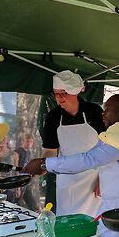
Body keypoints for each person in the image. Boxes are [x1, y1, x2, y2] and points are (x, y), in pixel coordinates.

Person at [23, 94, 119, 237]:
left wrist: (44, 164)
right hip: (111, 205)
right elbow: (92, 156)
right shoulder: (114, 134)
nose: (103, 113)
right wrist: (46, 164)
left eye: (107, 110)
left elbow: (90, 159)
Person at [40, 70, 105, 218]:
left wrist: (103, 177)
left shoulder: (93, 112)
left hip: (93, 177)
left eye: (64, 93)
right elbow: (51, 151)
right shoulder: (53, 117)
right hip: (67, 179)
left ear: (75, 92)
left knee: (93, 222)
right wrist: (41, 166)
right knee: (68, 219)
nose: (59, 98)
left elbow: (107, 148)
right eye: (56, 94)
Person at [13, 134, 38, 211]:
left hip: (25, 181)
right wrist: (17, 186)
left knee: (32, 204)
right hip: (18, 182)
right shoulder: (17, 152)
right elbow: (15, 168)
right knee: (15, 202)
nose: (29, 143)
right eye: (27, 141)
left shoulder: (28, 152)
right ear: (23, 141)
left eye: (31, 142)